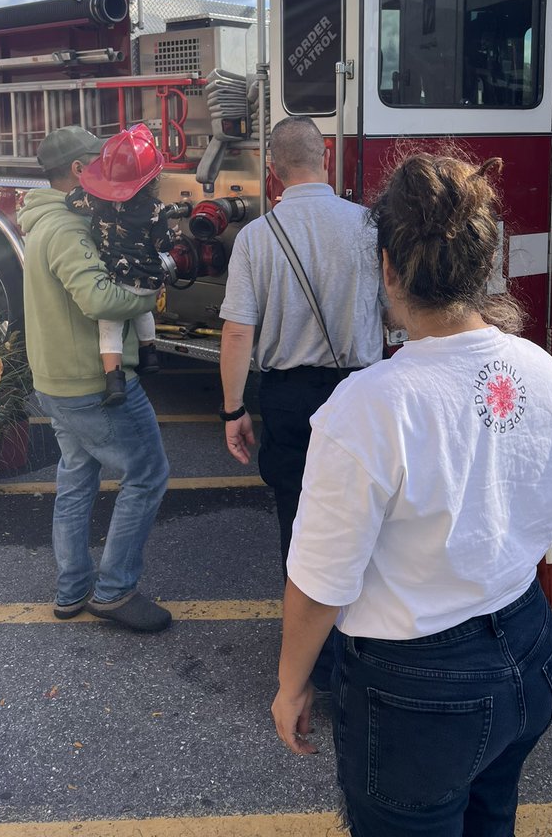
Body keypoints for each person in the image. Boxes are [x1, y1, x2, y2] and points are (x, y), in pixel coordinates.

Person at [271, 151, 552, 837]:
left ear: (388, 267)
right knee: (490, 819)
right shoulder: (546, 372)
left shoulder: (367, 407)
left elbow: (322, 582)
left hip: (420, 688)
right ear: (486, 261)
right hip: (530, 650)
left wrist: (293, 683)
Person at [219, 115, 384, 690]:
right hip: (362, 392)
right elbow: (396, 316)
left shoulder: (255, 238)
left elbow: (238, 333)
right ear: (328, 160)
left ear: (272, 175)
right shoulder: (369, 226)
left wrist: (233, 410)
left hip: (290, 399)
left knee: (300, 526)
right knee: (366, 522)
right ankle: (367, 649)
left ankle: (314, 661)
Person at [19, 124, 171, 633]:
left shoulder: (43, 222)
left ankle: (72, 590)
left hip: (55, 382)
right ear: (80, 171)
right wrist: (149, 295)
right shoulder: (65, 229)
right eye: (98, 163)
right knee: (147, 474)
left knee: (77, 479)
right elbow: (100, 299)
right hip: (90, 383)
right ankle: (113, 590)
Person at [66, 123, 172, 406]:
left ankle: (114, 381)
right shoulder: (156, 209)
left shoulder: (97, 202)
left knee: (109, 327)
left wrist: (89, 183)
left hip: (114, 278)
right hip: (147, 282)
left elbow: (71, 201)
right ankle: (149, 353)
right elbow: (164, 245)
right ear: (151, 178)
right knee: (144, 311)